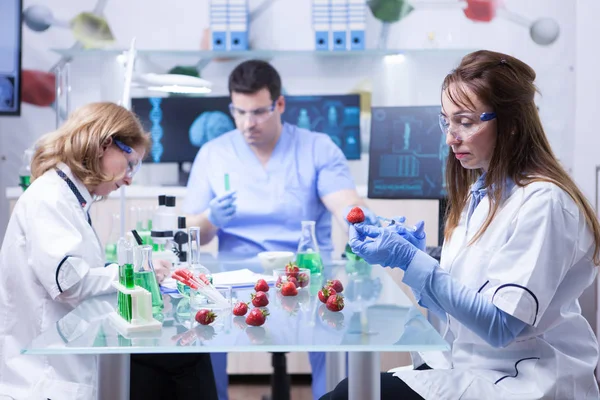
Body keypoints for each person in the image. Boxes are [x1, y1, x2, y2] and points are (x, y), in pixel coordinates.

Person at [323, 50, 600, 399]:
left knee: (350, 394)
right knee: (349, 390)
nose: (450, 137)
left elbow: (501, 326)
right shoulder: (481, 193)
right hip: (473, 364)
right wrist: (411, 258)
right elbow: (462, 306)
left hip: (526, 378)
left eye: (466, 122)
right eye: (446, 121)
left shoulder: (544, 203)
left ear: (512, 124)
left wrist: (415, 262)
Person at [183, 59, 377, 400]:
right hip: (234, 282)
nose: (248, 123)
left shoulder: (317, 148)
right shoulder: (214, 154)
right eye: (239, 112)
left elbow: (344, 205)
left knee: (335, 335)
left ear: (280, 104)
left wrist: (364, 224)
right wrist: (211, 218)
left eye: (258, 112)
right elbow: (193, 234)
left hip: (306, 276)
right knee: (201, 337)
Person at [0, 102, 215, 400]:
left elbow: (76, 272)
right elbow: (71, 284)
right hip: (46, 378)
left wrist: (136, 269)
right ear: (104, 145)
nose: (129, 178)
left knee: (181, 357)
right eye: (130, 165)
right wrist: (138, 270)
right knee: (183, 360)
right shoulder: (49, 198)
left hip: (70, 356)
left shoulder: (69, 197)